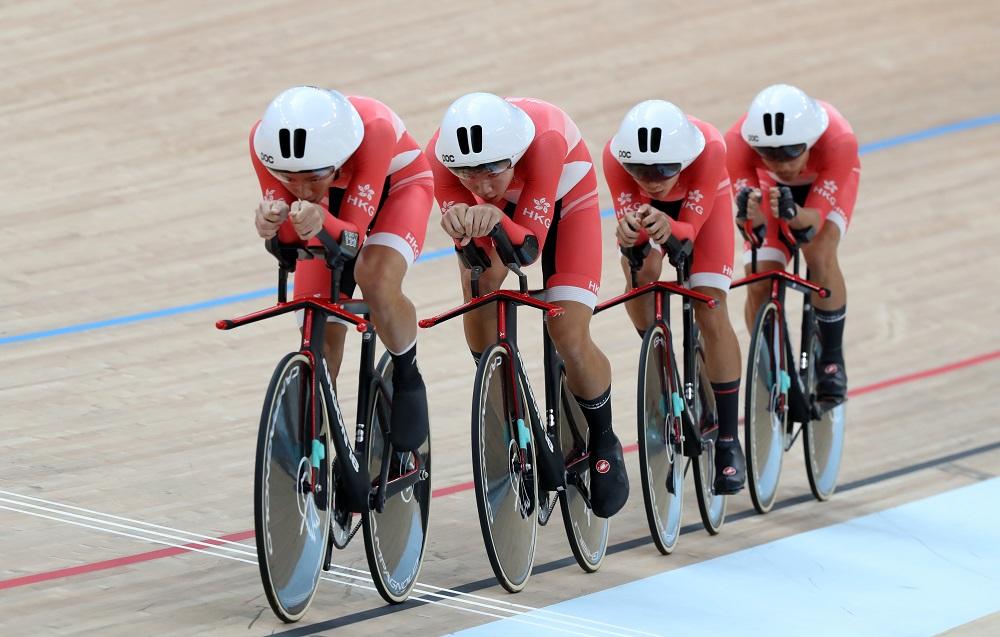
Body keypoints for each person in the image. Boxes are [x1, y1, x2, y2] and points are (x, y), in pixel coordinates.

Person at [426, 93, 628, 518]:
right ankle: (511, 414)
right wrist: (468, 228)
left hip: (563, 201)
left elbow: (528, 249)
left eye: (490, 172)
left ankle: (604, 436)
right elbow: (481, 256)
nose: (479, 185)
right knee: (479, 290)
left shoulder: (546, 141)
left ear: (514, 156)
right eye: (467, 174)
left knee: (568, 332)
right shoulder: (439, 157)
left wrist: (495, 217)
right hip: (501, 217)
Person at [250, 86, 433, 451]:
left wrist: (318, 219)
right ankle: (315, 453)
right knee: (315, 320)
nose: (301, 188)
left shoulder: (374, 130)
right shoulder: (263, 139)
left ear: (338, 156)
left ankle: (408, 374)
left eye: (312, 176)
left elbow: (350, 240)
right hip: (335, 205)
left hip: (396, 189)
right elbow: (290, 243)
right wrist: (273, 228)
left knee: (375, 276)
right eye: (289, 177)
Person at [603, 100, 746, 494]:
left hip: (703, 212)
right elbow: (636, 241)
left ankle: (730, 444)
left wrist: (671, 226)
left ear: (682, 159)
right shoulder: (615, 158)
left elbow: (688, 233)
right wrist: (630, 238)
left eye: (664, 171)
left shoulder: (710, 149)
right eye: (641, 171)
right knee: (638, 271)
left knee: (709, 305)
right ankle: (661, 355)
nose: (651, 180)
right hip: (658, 217)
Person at [726, 84, 859, 403]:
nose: (781, 164)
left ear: (811, 141)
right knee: (759, 275)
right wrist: (749, 218)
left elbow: (811, 221)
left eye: (790, 152)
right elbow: (751, 227)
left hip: (821, 189)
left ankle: (831, 358)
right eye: (769, 154)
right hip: (773, 192)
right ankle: (772, 361)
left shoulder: (838, 140)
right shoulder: (737, 144)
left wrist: (792, 214)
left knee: (819, 250)